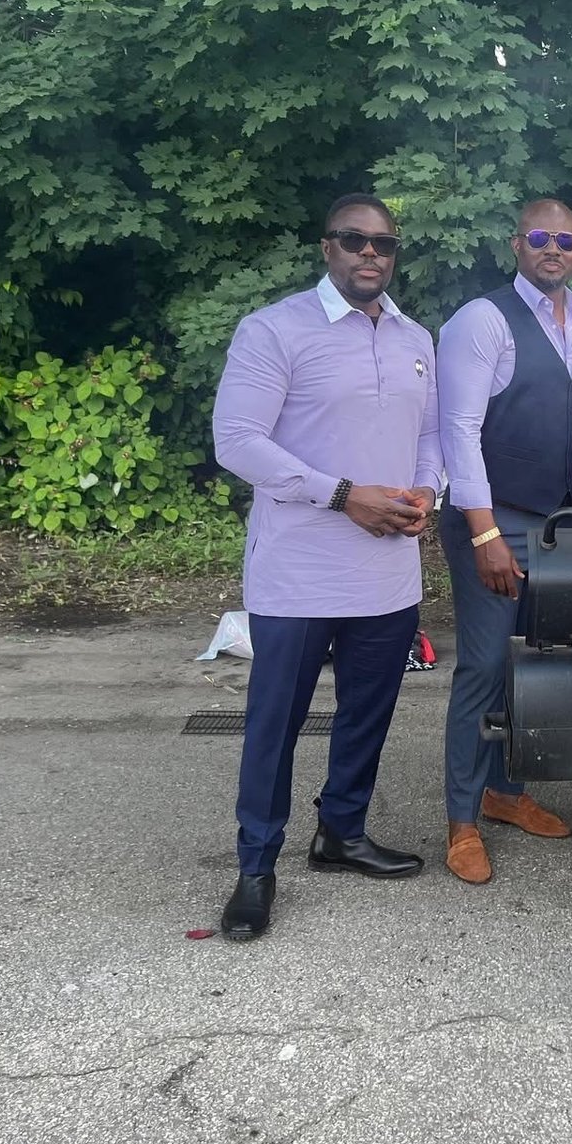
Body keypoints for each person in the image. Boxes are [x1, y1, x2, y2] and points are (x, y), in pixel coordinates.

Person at [211, 193, 443, 940]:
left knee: (367, 714)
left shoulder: (416, 337)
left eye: (384, 244)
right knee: (274, 724)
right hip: (298, 571)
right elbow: (237, 440)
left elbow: (431, 435)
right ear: (327, 247)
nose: (370, 254)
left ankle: (341, 832)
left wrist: (427, 492)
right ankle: (255, 865)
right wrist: (344, 496)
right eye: (354, 240)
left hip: (386, 571)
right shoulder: (274, 330)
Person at [434, 199, 572, 885]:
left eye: (564, 239)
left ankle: (504, 791)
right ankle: (462, 819)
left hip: (557, 524)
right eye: (540, 237)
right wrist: (486, 533)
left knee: (528, 662)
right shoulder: (482, 320)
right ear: (517, 244)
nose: (552, 247)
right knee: (481, 665)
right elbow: (459, 431)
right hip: (494, 521)